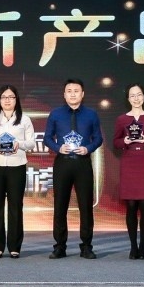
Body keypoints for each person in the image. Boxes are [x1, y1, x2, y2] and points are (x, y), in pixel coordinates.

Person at [43, 79, 103, 259]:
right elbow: (47, 138)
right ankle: (59, 246)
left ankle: (86, 246)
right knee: (60, 206)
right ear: (64, 94)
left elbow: (98, 138)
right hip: (63, 163)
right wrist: (57, 148)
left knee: (86, 206)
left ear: (82, 94)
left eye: (76, 91)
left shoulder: (91, 114)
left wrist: (88, 148)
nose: (73, 94)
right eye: (69, 91)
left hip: (83, 163)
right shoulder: (56, 114)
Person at [0, 85, 35, 258]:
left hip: (17, 166)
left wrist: (19, 144)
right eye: (4, 97)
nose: (7, 100)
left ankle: (14, 246)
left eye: (11, 97)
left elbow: (31, 143)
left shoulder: (24, 120)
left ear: (16, 100)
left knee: (15, 206)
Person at [112, 83, 144, 259]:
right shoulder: (121, 119)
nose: (136, 98)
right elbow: (115, 142)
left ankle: (143, 246)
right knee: (131, 206)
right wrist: (124, 141)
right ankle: (133, 246)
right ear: (128, 99)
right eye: (132, 95)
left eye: (139, 94)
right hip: (129, 162)